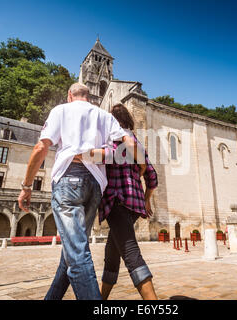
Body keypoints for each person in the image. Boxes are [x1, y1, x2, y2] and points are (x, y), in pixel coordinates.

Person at [17, 83, 143, 300]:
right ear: (89, 96)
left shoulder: (60, 110)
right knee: (70, 253)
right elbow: (126, 149)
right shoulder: (105, 116)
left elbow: (41, 147)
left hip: (68, 181)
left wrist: (27, 186)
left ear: (69, 95)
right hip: (95, 187)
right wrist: (140, 166)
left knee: (77, 255)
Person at [98, 103, 158, 300]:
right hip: (134, 206)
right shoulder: (136, 143)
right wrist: (146, 200)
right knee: (112, 253)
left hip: (116, 202)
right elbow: (152, 177)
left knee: (131, 254)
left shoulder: (109, 142)